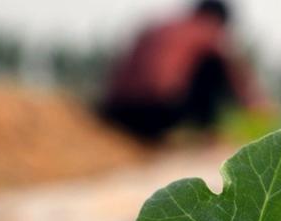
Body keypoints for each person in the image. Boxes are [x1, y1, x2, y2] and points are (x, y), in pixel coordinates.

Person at [98, 0, 269, 140]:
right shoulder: (206, 29)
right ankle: (208, 135)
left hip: (115, 112)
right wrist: (260, 110)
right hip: (156, 111)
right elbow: (235, 76)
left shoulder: (162, 27)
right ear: (219, 19)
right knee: (213, 65)